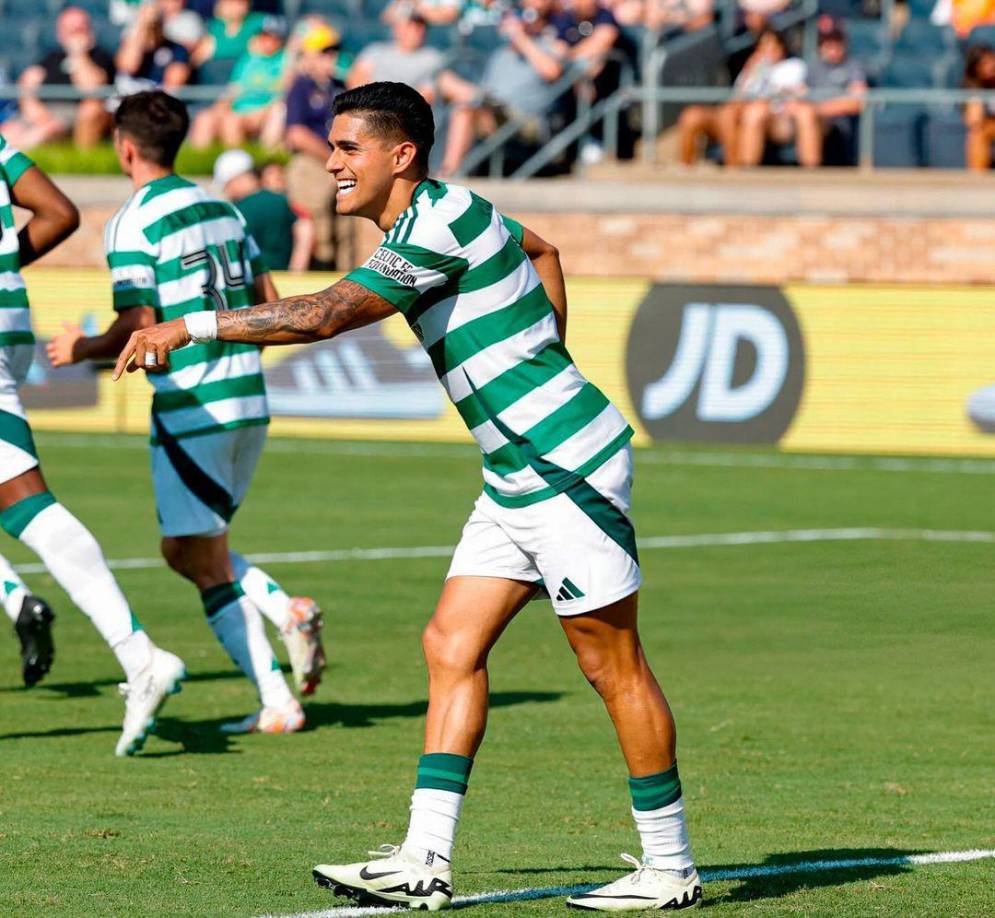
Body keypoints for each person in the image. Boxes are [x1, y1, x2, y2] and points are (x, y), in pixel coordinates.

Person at [113, 81, 703, 913]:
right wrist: (540, 356)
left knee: (611, 665)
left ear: (402, 155)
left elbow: (322, 316)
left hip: (563, 466)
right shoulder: (451, 211)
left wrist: (190, 325)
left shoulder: (434, 225)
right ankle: (423, 859)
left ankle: (669, 866)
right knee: (449, 646)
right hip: (516, 472)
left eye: (348, 148)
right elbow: (544, 253)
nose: (330, 162)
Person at [47, 91, 326, 733]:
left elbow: (138, 323)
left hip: (193, 405)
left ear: (124, 147)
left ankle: (286, 625)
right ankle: (278, 698)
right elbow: (270, 300)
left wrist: (81, 347)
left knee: (191, 555)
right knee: (196, 551)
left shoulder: (132, 221)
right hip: (250, 400)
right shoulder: (224, 206)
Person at [0, 134, 186, 756]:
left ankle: (139, 656)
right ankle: (30, 604)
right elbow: (58, 211)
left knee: (27, 501)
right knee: (20, 497)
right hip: (9, 323)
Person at [439, 0, 564, 176]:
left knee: (465, 97)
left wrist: (521, 39)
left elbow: (553, 72)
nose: (508, 25)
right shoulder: (499, 55)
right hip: (495, 112)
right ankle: (448, 173)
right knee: (463, 108)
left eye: (514, 20)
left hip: (528, 121)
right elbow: (488, 91)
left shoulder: (544, 45)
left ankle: (447, 176)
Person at [2, 7, 114, 150]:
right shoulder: (51, 57)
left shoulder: (99, 56)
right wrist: (35, 110)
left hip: (70, 114)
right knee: (8, 132)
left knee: (44, 132)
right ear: (60, 33)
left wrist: (79, 55)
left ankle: (17, 157)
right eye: (69, 29)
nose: (74, 33)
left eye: (79, 28)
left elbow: (92, 88)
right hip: (42, 113)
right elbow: (27, 83)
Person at [284, 23, 347, 267]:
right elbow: (296, 133)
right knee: (315, 228)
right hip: (312, 162)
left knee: (344, 227)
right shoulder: (301, 85)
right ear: (309, 56)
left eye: (332, 52)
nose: (330, 58)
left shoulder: (338, 85)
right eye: (324, 52)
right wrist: (331, 157)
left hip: (337, 162)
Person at [189, 16, 288, 149]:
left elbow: (283, 94)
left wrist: (261, 112)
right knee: (204, 119)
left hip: (261, 111)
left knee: (231, 121)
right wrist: (218, 109)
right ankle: (198, 164)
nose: (267, 41)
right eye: (264, 36)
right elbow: (234, 89)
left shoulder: (285, 61)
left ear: (280, 40)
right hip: (238, 109)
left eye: (272, 37)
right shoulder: (248, 59)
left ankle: (238, 164)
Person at [213, 149, 314, 271]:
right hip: (286, 279)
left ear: (236, 180)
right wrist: (296, 272)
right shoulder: (282, 200)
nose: (227, 191)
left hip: (253, 281)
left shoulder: (234, 212)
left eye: (226, 185)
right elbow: (305, 229)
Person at [729, 29, 806, 167]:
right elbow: (738, 96)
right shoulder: (753, 69)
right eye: (764, 46)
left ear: (781, 47)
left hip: (780, 119)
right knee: (726, 114)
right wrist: (750, 71)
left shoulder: (793, 66)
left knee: (755, 112)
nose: (768, 50)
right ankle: (731, 169)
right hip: (747, 112)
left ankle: (747, 170)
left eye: (772, 45)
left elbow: (782, 95)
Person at [794, 24, 866, 168]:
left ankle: (810, 173)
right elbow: (798, 95)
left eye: (837, 43)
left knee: (807, 115)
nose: (833, 49)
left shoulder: (852, 66)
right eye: (828, 44)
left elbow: (858, 102)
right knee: (754, 113)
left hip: (837, 123)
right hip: (807, 116)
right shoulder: (814, 67)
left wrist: (819, 110)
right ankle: (745, 171)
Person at [115, 0, 192, 94]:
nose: (152, 29)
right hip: (127, 100)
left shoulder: (177, 49)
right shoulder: (129, 44)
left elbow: (173, 87)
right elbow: (127, 67)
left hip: (154, 103)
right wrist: (142, 24)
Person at [191, 0, 266, 81]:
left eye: (238, 3)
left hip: (245, 80)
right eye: (228, 3)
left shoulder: (258, 22)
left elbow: (261, 52)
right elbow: (198, 58)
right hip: (215, 80)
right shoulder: (215, 26)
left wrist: (216, 50)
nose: (233, 7)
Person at [964, 44, 995, 171]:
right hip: (990, 125)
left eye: (991, 60)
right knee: (977, 133)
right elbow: (973, 120)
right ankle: (978, 180)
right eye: (982, 65)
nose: (990, 67)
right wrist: (976, 92)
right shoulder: (974, 87)